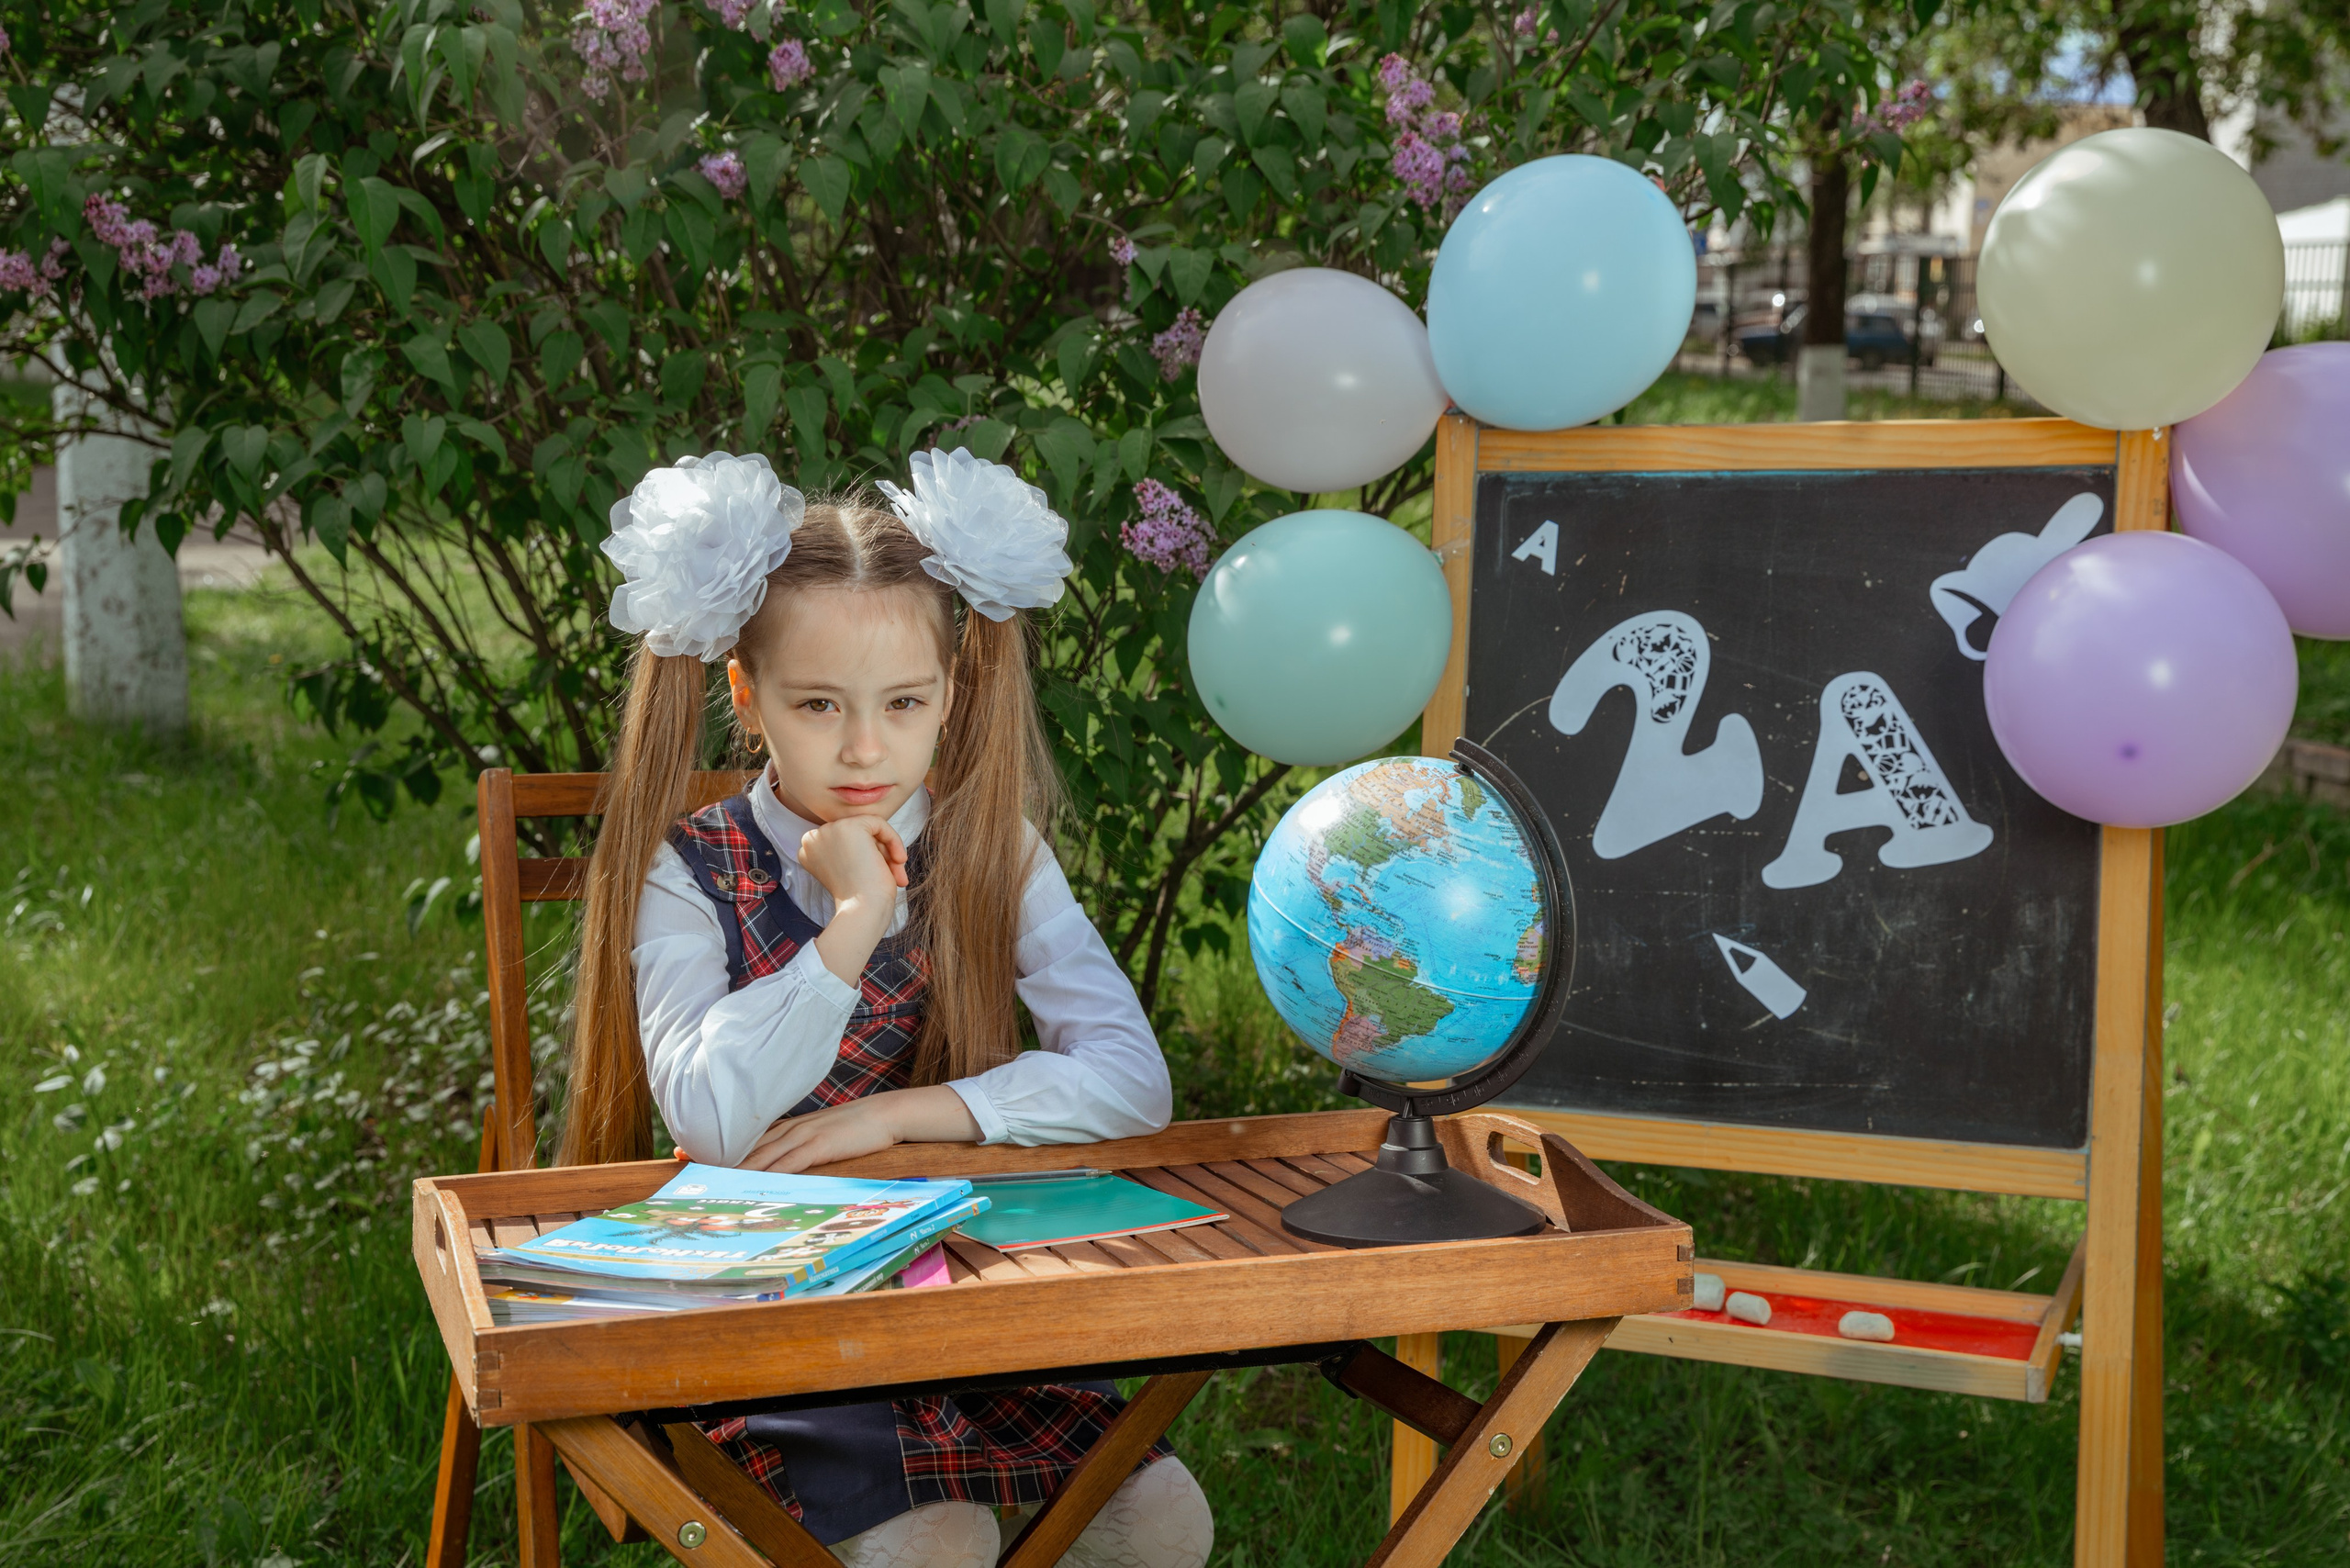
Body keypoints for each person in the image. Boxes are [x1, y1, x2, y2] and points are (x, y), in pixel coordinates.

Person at [559, 449, 1214, 1568]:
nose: (866, 748)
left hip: (962, 1290)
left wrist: (898, 1116)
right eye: (818, 703)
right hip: (763, 1310)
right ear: (746, 697)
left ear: (949, 697)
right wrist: (851, 921)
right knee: (937, 1539)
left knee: (1161, 1519)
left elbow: (1128, 1074)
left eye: (903, 703)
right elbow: (715, 1122)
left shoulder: (989, 849)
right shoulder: (690, 870)